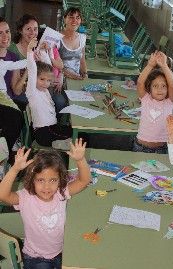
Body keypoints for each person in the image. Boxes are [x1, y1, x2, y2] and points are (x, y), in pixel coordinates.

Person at [0, 138, 91, 268]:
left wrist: (80, 160)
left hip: (61, 251)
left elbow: (84, 181)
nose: (47, 187)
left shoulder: (61, 192)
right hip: (36, 257)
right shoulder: (26, 197)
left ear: (60, 180)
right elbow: (2, 195)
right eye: (40, 180)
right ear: (32, 180)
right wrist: (15, 169)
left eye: (53, 180)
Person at [26, 38, 72, 148]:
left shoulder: (45, 90)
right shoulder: (32, 91)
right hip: (43, 133)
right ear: (35, 78)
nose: (45, 83)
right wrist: (29, 50)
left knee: (75, 133)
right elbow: (32, 70)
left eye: (48, 81)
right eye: (42, 79)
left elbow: (49, 68)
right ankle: (60, 144)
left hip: (52, 127)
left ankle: (62, 143)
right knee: (77, 138)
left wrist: (47, 50)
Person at [132, 51, 173, 154]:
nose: (160, 89)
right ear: (149, 88)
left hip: (163, 149)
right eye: (155, 86)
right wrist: (150, 65)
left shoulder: (169, 102)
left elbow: (172, 85)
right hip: (141, 148)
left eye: (163, 86)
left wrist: (164, 65)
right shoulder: (146, 99)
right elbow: (140, 82)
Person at [0, 17, 23, 159]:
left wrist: (27, 71)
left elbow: (16, 90)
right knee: (14, 116)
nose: (5, 36)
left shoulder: (13, 57)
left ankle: (5, 155)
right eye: (0, 33)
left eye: (7, 31)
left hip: (8, 99)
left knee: (17, 115)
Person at [8, 14, 39, 110]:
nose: (32, 32)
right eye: (28, 29)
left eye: (35, 29)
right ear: (20, 30)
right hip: (16, 93)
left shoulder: (36, 48)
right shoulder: (13, 51)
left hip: (32, 89)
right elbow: (16, 90)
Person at [59, 7, 87, 80]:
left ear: (80, 20)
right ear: (65, 19)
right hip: (59, 80)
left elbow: (82, 60)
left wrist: (85, 74)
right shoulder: (57, 38)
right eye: (71, 17)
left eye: (77, 18)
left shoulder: (82, 38)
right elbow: (52, 63)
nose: (74, 21)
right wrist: (69, 74)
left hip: (75, 80)